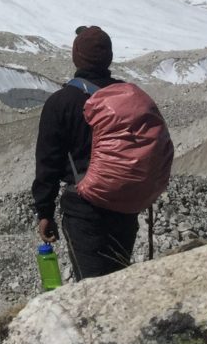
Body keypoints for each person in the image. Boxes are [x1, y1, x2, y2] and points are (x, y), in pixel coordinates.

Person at [31, 25, 140, 279]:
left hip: (84, 208)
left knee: (92, 285)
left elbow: (48, 164)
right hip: (125, 204)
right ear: (109, 57)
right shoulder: (126, 96)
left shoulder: (61, 103)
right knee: (119, 275)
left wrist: (44, 212)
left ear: (76, 57)